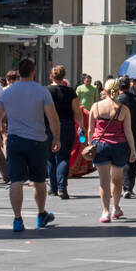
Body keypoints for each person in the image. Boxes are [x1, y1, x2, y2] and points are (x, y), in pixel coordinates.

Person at [0, 58, 61, 233]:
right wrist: (56, 138)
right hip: (37, 140)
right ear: (33, 72)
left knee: (16, 180)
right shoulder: (41, 91)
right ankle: (41, 213)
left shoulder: (8, 92)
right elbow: (53, 118)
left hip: (14, 140)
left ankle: (17, 219)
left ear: (18, 72)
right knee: (38, 180)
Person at [89, 79, 136, 223]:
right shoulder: (123, 109)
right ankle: (116, 208)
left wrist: (90, 144)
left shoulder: (96, 106)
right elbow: (128, 131)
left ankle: (105, 212)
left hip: (100, 145)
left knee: (104, 181)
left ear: (104, 90)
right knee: (117, 179)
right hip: (119, 146)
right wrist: (133, 150)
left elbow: (91, 129)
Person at [47, 65, 82, 200]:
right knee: (63, 157)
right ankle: (62, 188)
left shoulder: (46, 91)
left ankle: (53, 187)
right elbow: (77, 111)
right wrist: (81, 126)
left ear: (51, 76)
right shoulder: (70, 91)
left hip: (49, 126)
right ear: (64, 76)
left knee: (50, 157)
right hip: (67, 125)